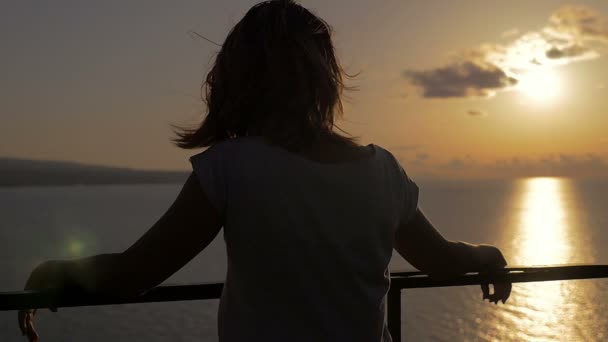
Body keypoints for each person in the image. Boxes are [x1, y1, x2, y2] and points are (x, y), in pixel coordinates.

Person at [18, 1, 511, 341]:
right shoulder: (382, 172)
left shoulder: (231, 168)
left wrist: (57, 272)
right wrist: (487, 254)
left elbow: (135, 274)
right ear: (327, 80)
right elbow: (441, 260)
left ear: (235, 79)